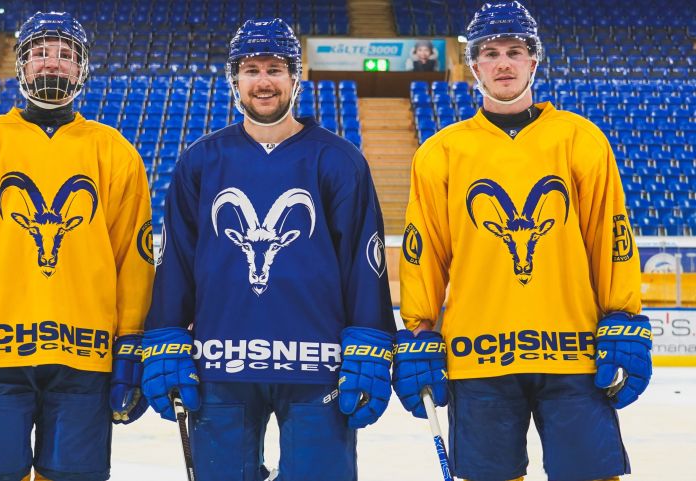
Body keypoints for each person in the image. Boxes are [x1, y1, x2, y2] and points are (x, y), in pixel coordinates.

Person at [392, 2, 651, 481]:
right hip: (476, 354)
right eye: (490, 53)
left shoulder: (581, 140)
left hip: (574, 350)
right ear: (474, 65)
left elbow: (610, 237)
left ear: (534, 61)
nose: (503, 63)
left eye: (515, 51)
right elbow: (423, 250)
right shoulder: (441, 152)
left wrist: (622, 315)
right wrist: (420, 330)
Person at [140, 18, 396, 481]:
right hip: (221, 364)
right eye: (252, 69)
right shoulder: (201, 160)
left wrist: (370, 342)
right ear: (234, 79)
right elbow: (175, 259)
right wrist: (165, 334)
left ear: (297, 77)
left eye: (276, 69)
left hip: (318, 366)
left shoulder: (338, 159)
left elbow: (364, 261)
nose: (263, 82)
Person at [0, 11, 154, 481]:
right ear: (20, 65)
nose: (51, 64)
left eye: (65, 55)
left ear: (82, 68)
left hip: (87, 356)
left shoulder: (116, 153)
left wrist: (132, 342)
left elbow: (134, 259)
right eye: (39, 53)